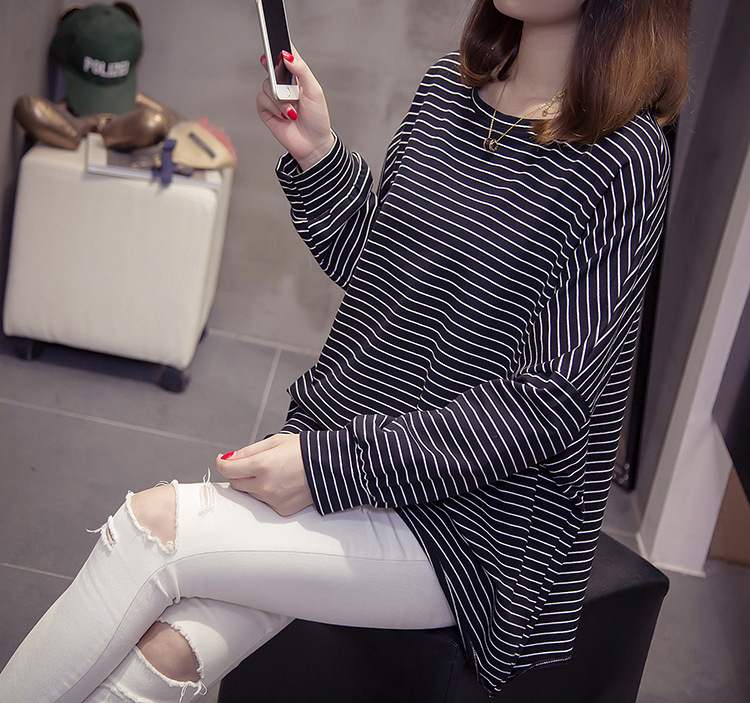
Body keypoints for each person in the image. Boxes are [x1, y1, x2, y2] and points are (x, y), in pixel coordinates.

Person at [0, 0, 690, 700]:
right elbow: (383, 274)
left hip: (471, 523)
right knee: (167, 651)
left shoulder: (625, 157)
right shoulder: (446, 90)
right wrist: (318, 153)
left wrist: (327, 466)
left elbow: (550, 404)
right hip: (357, 449)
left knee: (151, 531)